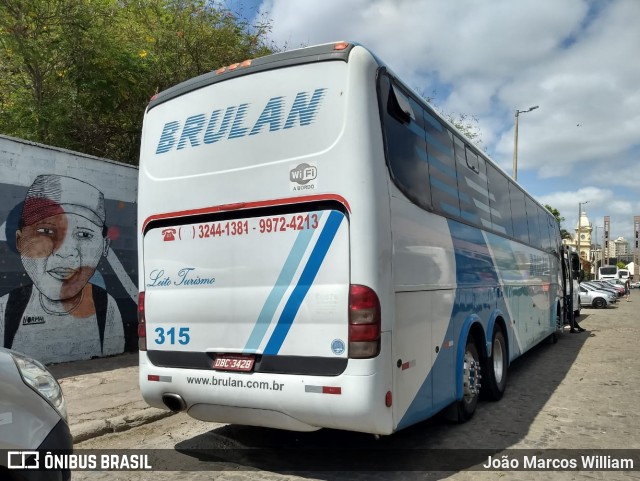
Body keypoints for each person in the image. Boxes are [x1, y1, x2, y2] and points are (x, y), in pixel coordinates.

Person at [0, 174, 124, 363]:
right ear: (20, 241)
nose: (65, 252)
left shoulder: (106, 308)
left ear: (105, 246)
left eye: (83, 234)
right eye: (46, 232)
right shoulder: (4, 311)